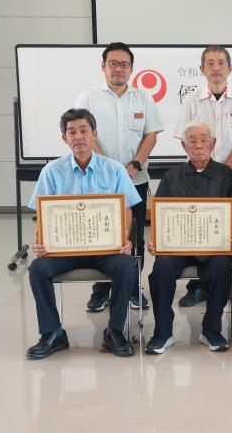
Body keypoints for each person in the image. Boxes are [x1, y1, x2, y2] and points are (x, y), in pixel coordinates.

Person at [26, 109, 142, 359]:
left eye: (83, 131)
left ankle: (115, 331)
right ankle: (53, 333)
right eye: (72, 132)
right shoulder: (51, 171)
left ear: (94, 134)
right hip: (65, 250)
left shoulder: (114, 169)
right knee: (37, 269)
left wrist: (124, 238)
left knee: (126, 267)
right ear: (64, 138)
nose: (78, 136)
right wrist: (40, 241)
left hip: (104, 248)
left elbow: (127, 208)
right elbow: (43, 213)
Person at [76, 42, 163, 312]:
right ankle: (100, 290)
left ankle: (133, 288)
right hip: (98, 180)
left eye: (124, 64)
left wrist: (135, 164)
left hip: (135, 179)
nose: (118, 69)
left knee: (134, 235)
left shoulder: (143, 98)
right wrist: (107, 167)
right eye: (113, 63)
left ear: (131, 69)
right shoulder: (88, 98)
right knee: (100, 233)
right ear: (103, 66)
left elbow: (151, 135)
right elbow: (85, 135)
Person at [174, 45, 232, 307]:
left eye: (221, 62)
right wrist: (209, 168)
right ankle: (198, 287)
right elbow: (185, 138)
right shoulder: (191, 100)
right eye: (210, 63)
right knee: (199, 227)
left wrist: (224, 169)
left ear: (230, 68)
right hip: (199, 175)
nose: (216, 68)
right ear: (201, 69)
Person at [145, 121, 232, 354]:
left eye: (204, 140)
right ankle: (162, 332)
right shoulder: (171, 176)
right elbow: (160, 215)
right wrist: (156, 239)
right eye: (192, 141)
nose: (198, 145)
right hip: (177, 246)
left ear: (213, 143)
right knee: (161, 270)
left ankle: (212, 330)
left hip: (214, 247)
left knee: (221, 268)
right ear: (184, 146)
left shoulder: (228, 175)